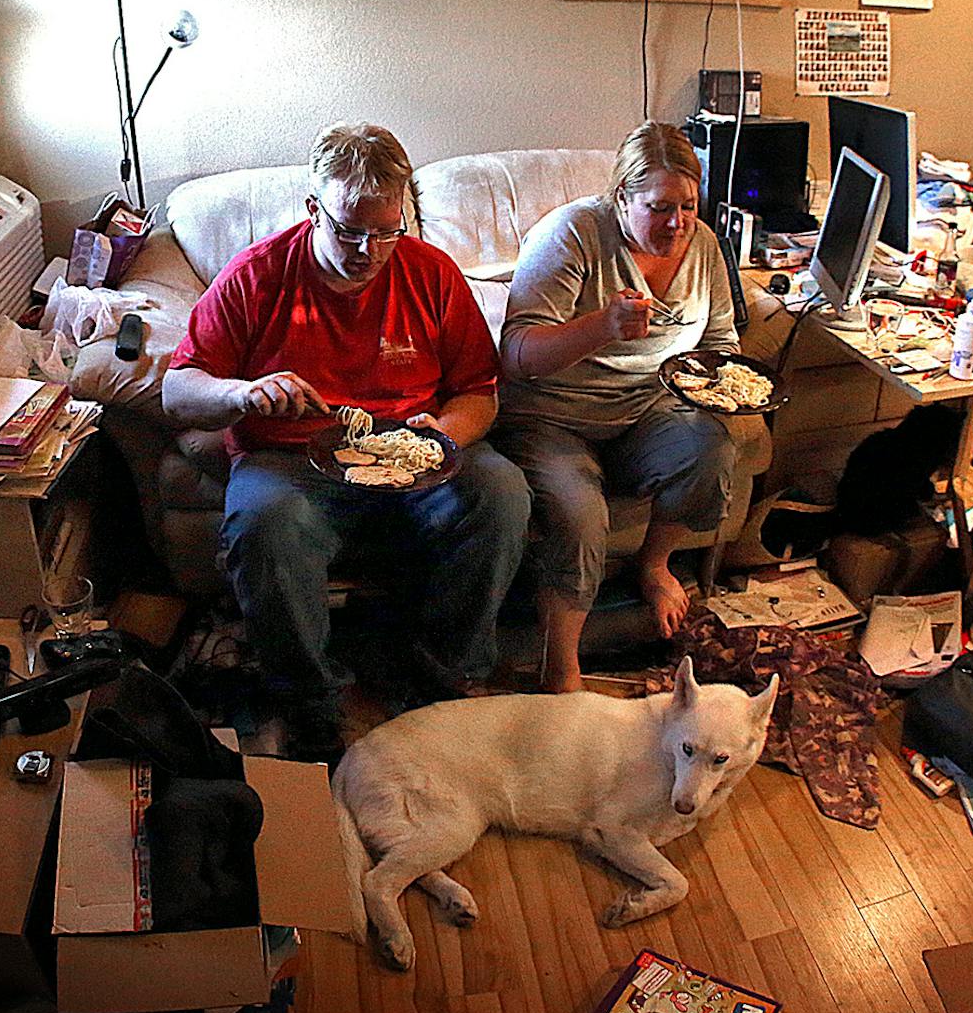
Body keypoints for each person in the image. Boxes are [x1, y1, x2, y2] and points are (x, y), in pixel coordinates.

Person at [163, 122, 530, 760]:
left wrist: (443, 435)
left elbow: (480, 391)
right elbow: (177, 391)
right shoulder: (257, 276)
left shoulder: (431, 273)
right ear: (313, 209)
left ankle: (442, 672)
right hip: (291, 456)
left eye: (386, 232)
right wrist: (241, 394)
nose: (367, 249)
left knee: (501, 492)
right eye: (348, 229)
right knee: (264, 523)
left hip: (408, 448)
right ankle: (308, 701)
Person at [495, 121, 762, 693]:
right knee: (580, 515)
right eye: (660, 207)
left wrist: (720, 382)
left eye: (689, 206)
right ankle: (561, 669)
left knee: (712, 447)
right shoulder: (573, 235)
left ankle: (654, 563)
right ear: (622, 198)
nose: (678, 223)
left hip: (647, 408)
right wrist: (601, 327)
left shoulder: (704, 245)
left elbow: (720, 343)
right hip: (553, 415)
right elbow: (516, 354)